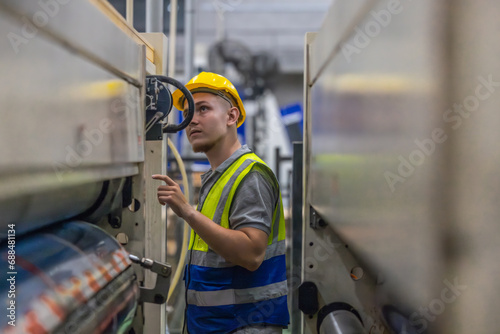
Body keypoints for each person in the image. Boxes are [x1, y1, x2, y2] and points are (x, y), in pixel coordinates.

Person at [152, 72, 289, 333]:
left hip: (243, 324)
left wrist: (187, 212)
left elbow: (251, 254)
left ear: (231, 116)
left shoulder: (250, 175)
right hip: (217, 324)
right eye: (186, 113)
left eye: (203, 109)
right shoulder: (220, 176)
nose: (191, 119)